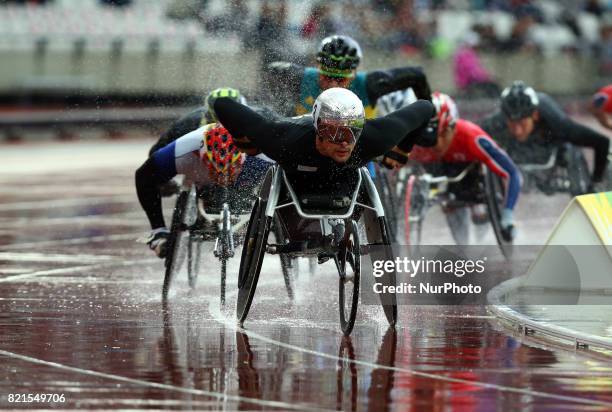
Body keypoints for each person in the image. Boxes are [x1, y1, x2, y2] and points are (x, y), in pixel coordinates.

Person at [213, 88, 434, 200]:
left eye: (352, 132)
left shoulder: (375, 137)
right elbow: (222, 104)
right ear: (319, 129)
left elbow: (426, 107)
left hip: (345, 183)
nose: (346, 143)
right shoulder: (284, 139)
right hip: (296, 183)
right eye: (336, 133)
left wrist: (401, 150)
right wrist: (244, 142)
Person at [136, 121, 272, 258]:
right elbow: (143, 177)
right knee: (150, 176)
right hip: (201, 174)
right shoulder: (184, 151)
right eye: (217, 170)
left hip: (244, 171)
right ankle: (158, 232)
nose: (222, 177)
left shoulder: (260, 156)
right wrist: (158, 227)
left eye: (228, 170)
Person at [407, 92, 522, 243]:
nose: (438, 143)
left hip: (468, 173)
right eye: (431, 136)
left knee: (469, 202)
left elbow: (512, 173)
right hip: (435, 171)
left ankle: (479, 214)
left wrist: (507, 213)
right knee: (461, 243)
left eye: (442, 134)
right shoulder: (414, 143)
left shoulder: (472, 137)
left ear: (452, 127)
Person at [479, 81, 610, 192]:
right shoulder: (497, 122)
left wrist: (595, 181)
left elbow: (601, 142)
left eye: (522, 123)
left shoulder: (558, 124)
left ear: (535, 115)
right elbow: (467, 134)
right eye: (512, 124)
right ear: (505, 118)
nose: (518, 131)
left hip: (551, 138)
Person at [263, 35, 432, 120]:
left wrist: (431, 116)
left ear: (354, 75)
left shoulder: (369, 84)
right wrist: (282, 110)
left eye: (341, 80)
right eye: (326, 77)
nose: (332, 85)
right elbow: (270, 70)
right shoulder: (301, 78)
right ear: (318, 68)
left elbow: (417, 75)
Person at [148, 87, 247, 156]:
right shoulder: (188, 123)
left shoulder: (257, 121)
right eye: (220, 117)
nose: (224, 124)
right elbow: (156, 152)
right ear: (209, 113)